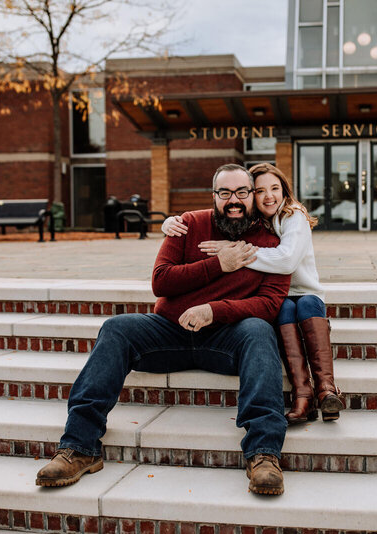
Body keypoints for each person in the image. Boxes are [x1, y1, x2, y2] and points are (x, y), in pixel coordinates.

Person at [36, 163, 291, 496]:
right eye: (225, 193)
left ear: (253, 196)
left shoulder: (272, 240)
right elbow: (161, 281)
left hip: (228, 338)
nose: (234, 200)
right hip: (170, 332)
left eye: (242, 192)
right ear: (213, 196)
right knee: (117, 327)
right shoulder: (188, 225)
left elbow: (270, 303)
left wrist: (214, 310)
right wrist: (218, 265)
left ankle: (263, 454)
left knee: (259, 330)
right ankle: (79, 447)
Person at [163, 163, 344, 425]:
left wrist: (235, 250)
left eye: (275, 188)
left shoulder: (294, 215)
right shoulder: (254, 222)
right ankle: (303, 394)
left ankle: (326, 390)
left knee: (304, 306)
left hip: (304, 291)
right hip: (280, 296)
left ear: (285, 190)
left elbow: (286, 261)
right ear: (252, 195)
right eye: (261, 191)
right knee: (283, 309)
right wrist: (170, 222)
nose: (269, 196)